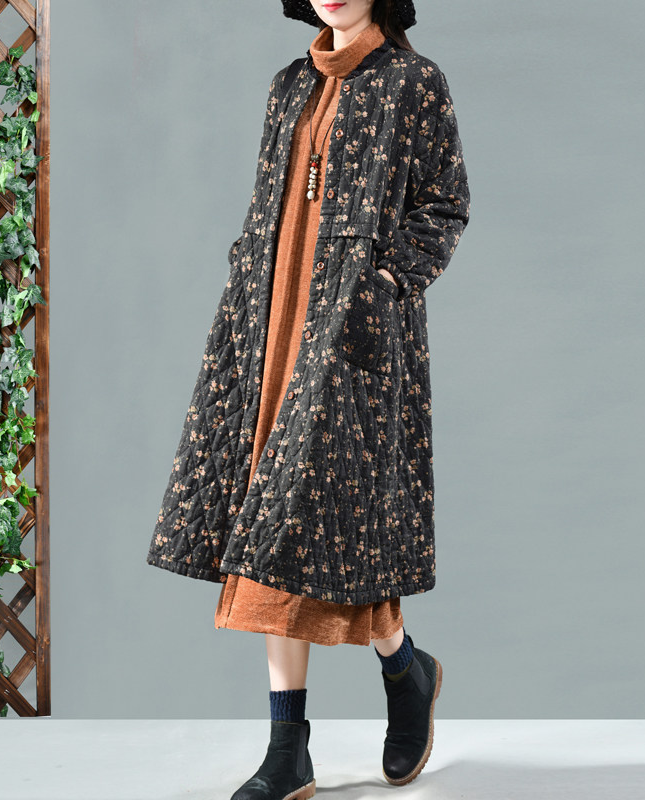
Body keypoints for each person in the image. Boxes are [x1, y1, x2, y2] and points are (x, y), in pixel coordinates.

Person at [147, 1, 470, 797]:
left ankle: (404, 670)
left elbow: (445, 203)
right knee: (273, 528)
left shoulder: (414, 82)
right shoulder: (288, 83)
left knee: (337, 526)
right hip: (270, 327)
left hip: (350, 333)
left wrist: (383, 282)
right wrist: (246, 275)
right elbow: (269, 202)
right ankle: (292, 745)